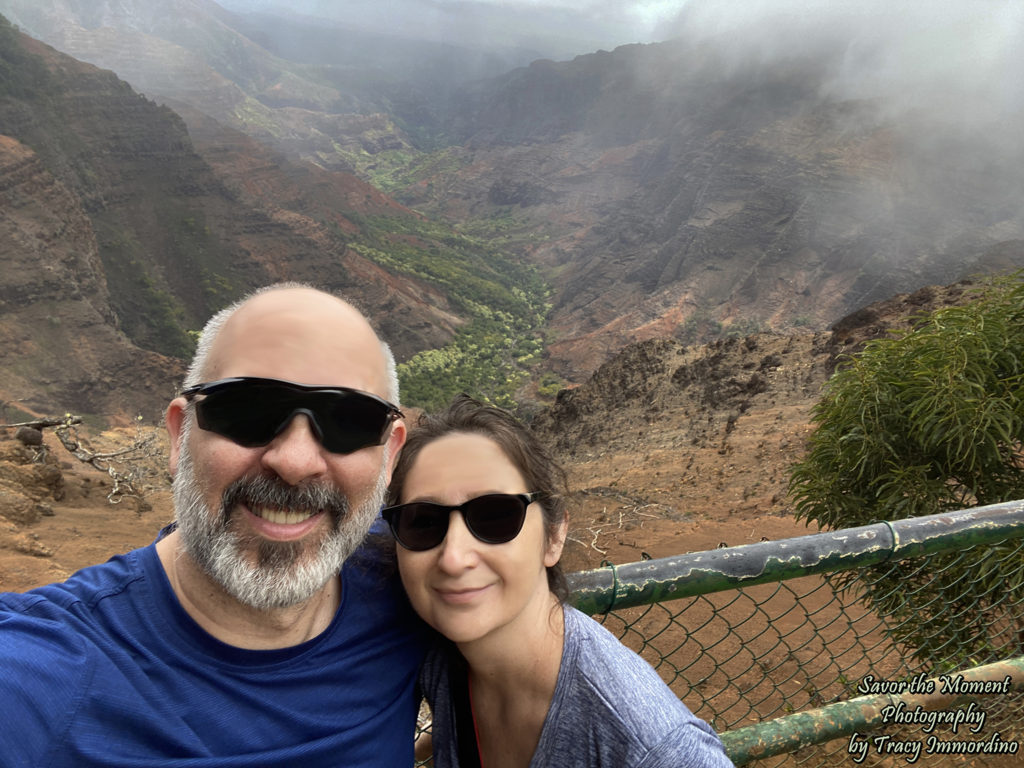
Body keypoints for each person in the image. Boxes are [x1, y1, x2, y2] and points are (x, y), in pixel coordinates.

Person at [0, 283, 427, 767]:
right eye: (248, 411)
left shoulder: (417, 573)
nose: (294, 461)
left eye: (349, 420)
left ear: (390, 454)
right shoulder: (42, 672)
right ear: (180, 435)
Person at [383, 395, 735, 768]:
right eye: (422, 522)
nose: (453, 558)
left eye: (495, 517)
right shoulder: (438, 654)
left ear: (553, 537)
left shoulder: (649, 746)